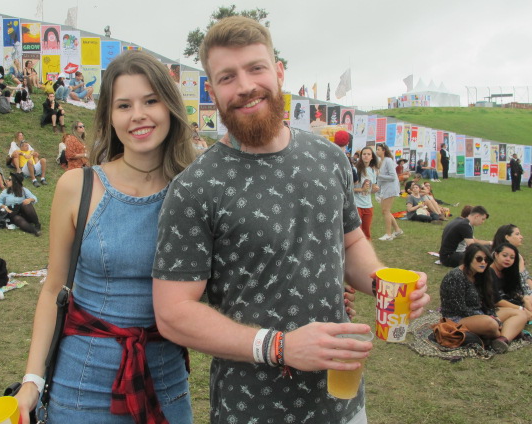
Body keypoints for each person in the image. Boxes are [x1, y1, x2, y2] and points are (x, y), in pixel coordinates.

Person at [150, 17, 430, 424]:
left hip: (344, 406)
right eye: (228, 76)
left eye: (256, 68)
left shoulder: (329, 157)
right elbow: (173, 313)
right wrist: (279, 346)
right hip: (251, 410)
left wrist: (380, 282)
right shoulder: (195, 188)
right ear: (212, 90)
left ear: (279, 73)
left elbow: (350, 243)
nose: (245, 85)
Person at [15, 50, 197, 424]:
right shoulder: (77, 186)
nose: (138, 115)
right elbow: (53, 290)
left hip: (167, 381)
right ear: (110, 117)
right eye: (124, 105)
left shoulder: (194, 191)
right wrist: (32, 381)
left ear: (170, 108)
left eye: (151, 101)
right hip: (82, 384)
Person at [439, 244, 527, 353]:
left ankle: (502, 339)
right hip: (457, 318)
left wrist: (492, 315)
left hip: (480, 314)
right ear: (469, 258)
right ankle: (507, 333)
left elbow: (488, 301)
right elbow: (458, 308)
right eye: (479, 259)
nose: (483, 263)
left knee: (522, 314)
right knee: (490, 323)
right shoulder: (455, 277)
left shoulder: (481, 274)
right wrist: (489, 318)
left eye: (486, 260)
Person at [492, 224, 532, 303]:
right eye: (517, 234)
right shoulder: (496, 257)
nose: (521, 237)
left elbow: (526, 278)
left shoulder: (516, 255)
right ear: (507, 237)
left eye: (512, 257)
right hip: (505, 299)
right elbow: (522, 280)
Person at [490, 243, 532, 315]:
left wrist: (524, 299)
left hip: (508, 302)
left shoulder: (507, 271)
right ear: (496, 255)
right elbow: (496, 301)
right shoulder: (488, 272)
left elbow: (513, 292)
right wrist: (521, 308)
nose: (508, 259)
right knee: (521, 314)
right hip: (494, 307)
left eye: (512, 257)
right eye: (504, 255)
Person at [376, 143, 403, 240]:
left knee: (386, 210)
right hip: (385, 188)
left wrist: (379, 175)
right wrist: (377, 191)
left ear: (383, 150)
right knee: (384, 211)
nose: (377, 151)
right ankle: (397, 229)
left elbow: (392, 177)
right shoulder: (380, 161)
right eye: (377, 149)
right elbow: (379, 178)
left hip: (391, 187)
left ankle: (388, 234)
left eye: (378, 149)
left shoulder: (388, 160)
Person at [353, 146, 379, 240]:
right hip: (357, 204)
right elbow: (348, 188)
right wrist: (361, 189)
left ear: (372, 157)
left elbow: (370, 189)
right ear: (361, 156)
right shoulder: (355, 170)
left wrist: (374, 190)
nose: (366, 156)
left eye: (368, 154)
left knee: (366, 232)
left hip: (368, 205)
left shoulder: (372, 171)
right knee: (357, 231)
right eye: (364, 154)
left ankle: (366, 251)